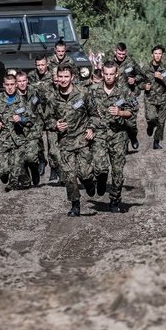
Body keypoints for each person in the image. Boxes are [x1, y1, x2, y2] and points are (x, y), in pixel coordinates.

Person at [42, 62, 101, 216]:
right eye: (60, 76)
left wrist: (91, 128)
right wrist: (55, 125)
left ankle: (89, 182)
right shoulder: (52, 98)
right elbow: (46, 120)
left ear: (72, 77)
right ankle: (75, 205)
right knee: (69, 175)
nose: (63, 79)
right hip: (65, 142)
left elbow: (95, 115)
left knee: (85, 173)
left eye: (66, 76)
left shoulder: (83, 93)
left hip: (82, 141)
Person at [89, 61, 138, 213]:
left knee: (117, 172)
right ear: (102, 74)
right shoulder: (93, 90)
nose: (109, 77)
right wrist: (89, 128)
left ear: (116, 74)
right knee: (100, 168)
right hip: (100, 135)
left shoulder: (124, 91)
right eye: (106, 74)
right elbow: (86, 112)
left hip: (118, 136)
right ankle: (101, 180)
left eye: (112, 74)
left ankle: (114, 202)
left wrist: (120, 112)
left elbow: (133, 110)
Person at [0, 73, 31, 192]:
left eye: (12, 84)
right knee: (2, 170)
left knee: (16, 165)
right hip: (0, 140)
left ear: (16, 85)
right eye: (7, 85)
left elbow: (31, 120)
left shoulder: (22, 101)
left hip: (17, 139)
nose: (10, 87)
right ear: (3, 85)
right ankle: (8, 175)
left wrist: (22, 120)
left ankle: (16, 184)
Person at [28, 55, 62, 183]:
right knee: (37, 139)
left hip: (51, 114)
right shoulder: (31, 76)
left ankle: (54, 170)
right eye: (38, 65)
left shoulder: (54, 74)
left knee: (52, 143)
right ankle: (42, 160)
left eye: (43, 65)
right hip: (37, 113)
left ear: (47, 64)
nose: (40, 67)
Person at [112, 42, 144, 150]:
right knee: (118, 121)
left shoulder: (131, 63)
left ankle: (133, 136)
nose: (121, 56)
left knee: (130, 122)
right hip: (115, 97)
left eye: (123, 54)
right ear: (115, 51)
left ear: (126, 53)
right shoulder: (110, 63)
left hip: (128, 96)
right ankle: (122, 145)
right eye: (119, 53)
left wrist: (134, 79)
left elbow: (141, 75)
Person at [15, 70, 43, 187]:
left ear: (27, 81)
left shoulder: (34, 92)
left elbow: (40, 107)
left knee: (31, 158)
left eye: (24, 81)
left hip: (33, 130)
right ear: (16, 83)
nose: (22, 84)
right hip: (19, 132)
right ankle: (26, 180)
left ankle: (35, 171)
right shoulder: (12, 97)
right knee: (21, 159)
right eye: (19, 81)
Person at [143, 45, 166, 149]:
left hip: (162, 99)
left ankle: (156, 142)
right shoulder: (146, 68)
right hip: (150, 99)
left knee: (161, 122)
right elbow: (139, 81)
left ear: (162, 55)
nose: (157, 56)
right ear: (152, 55)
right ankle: (150, 125)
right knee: (151, 118)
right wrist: (144, 86)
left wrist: (162, 78)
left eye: (159, 53)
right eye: (155, 53)